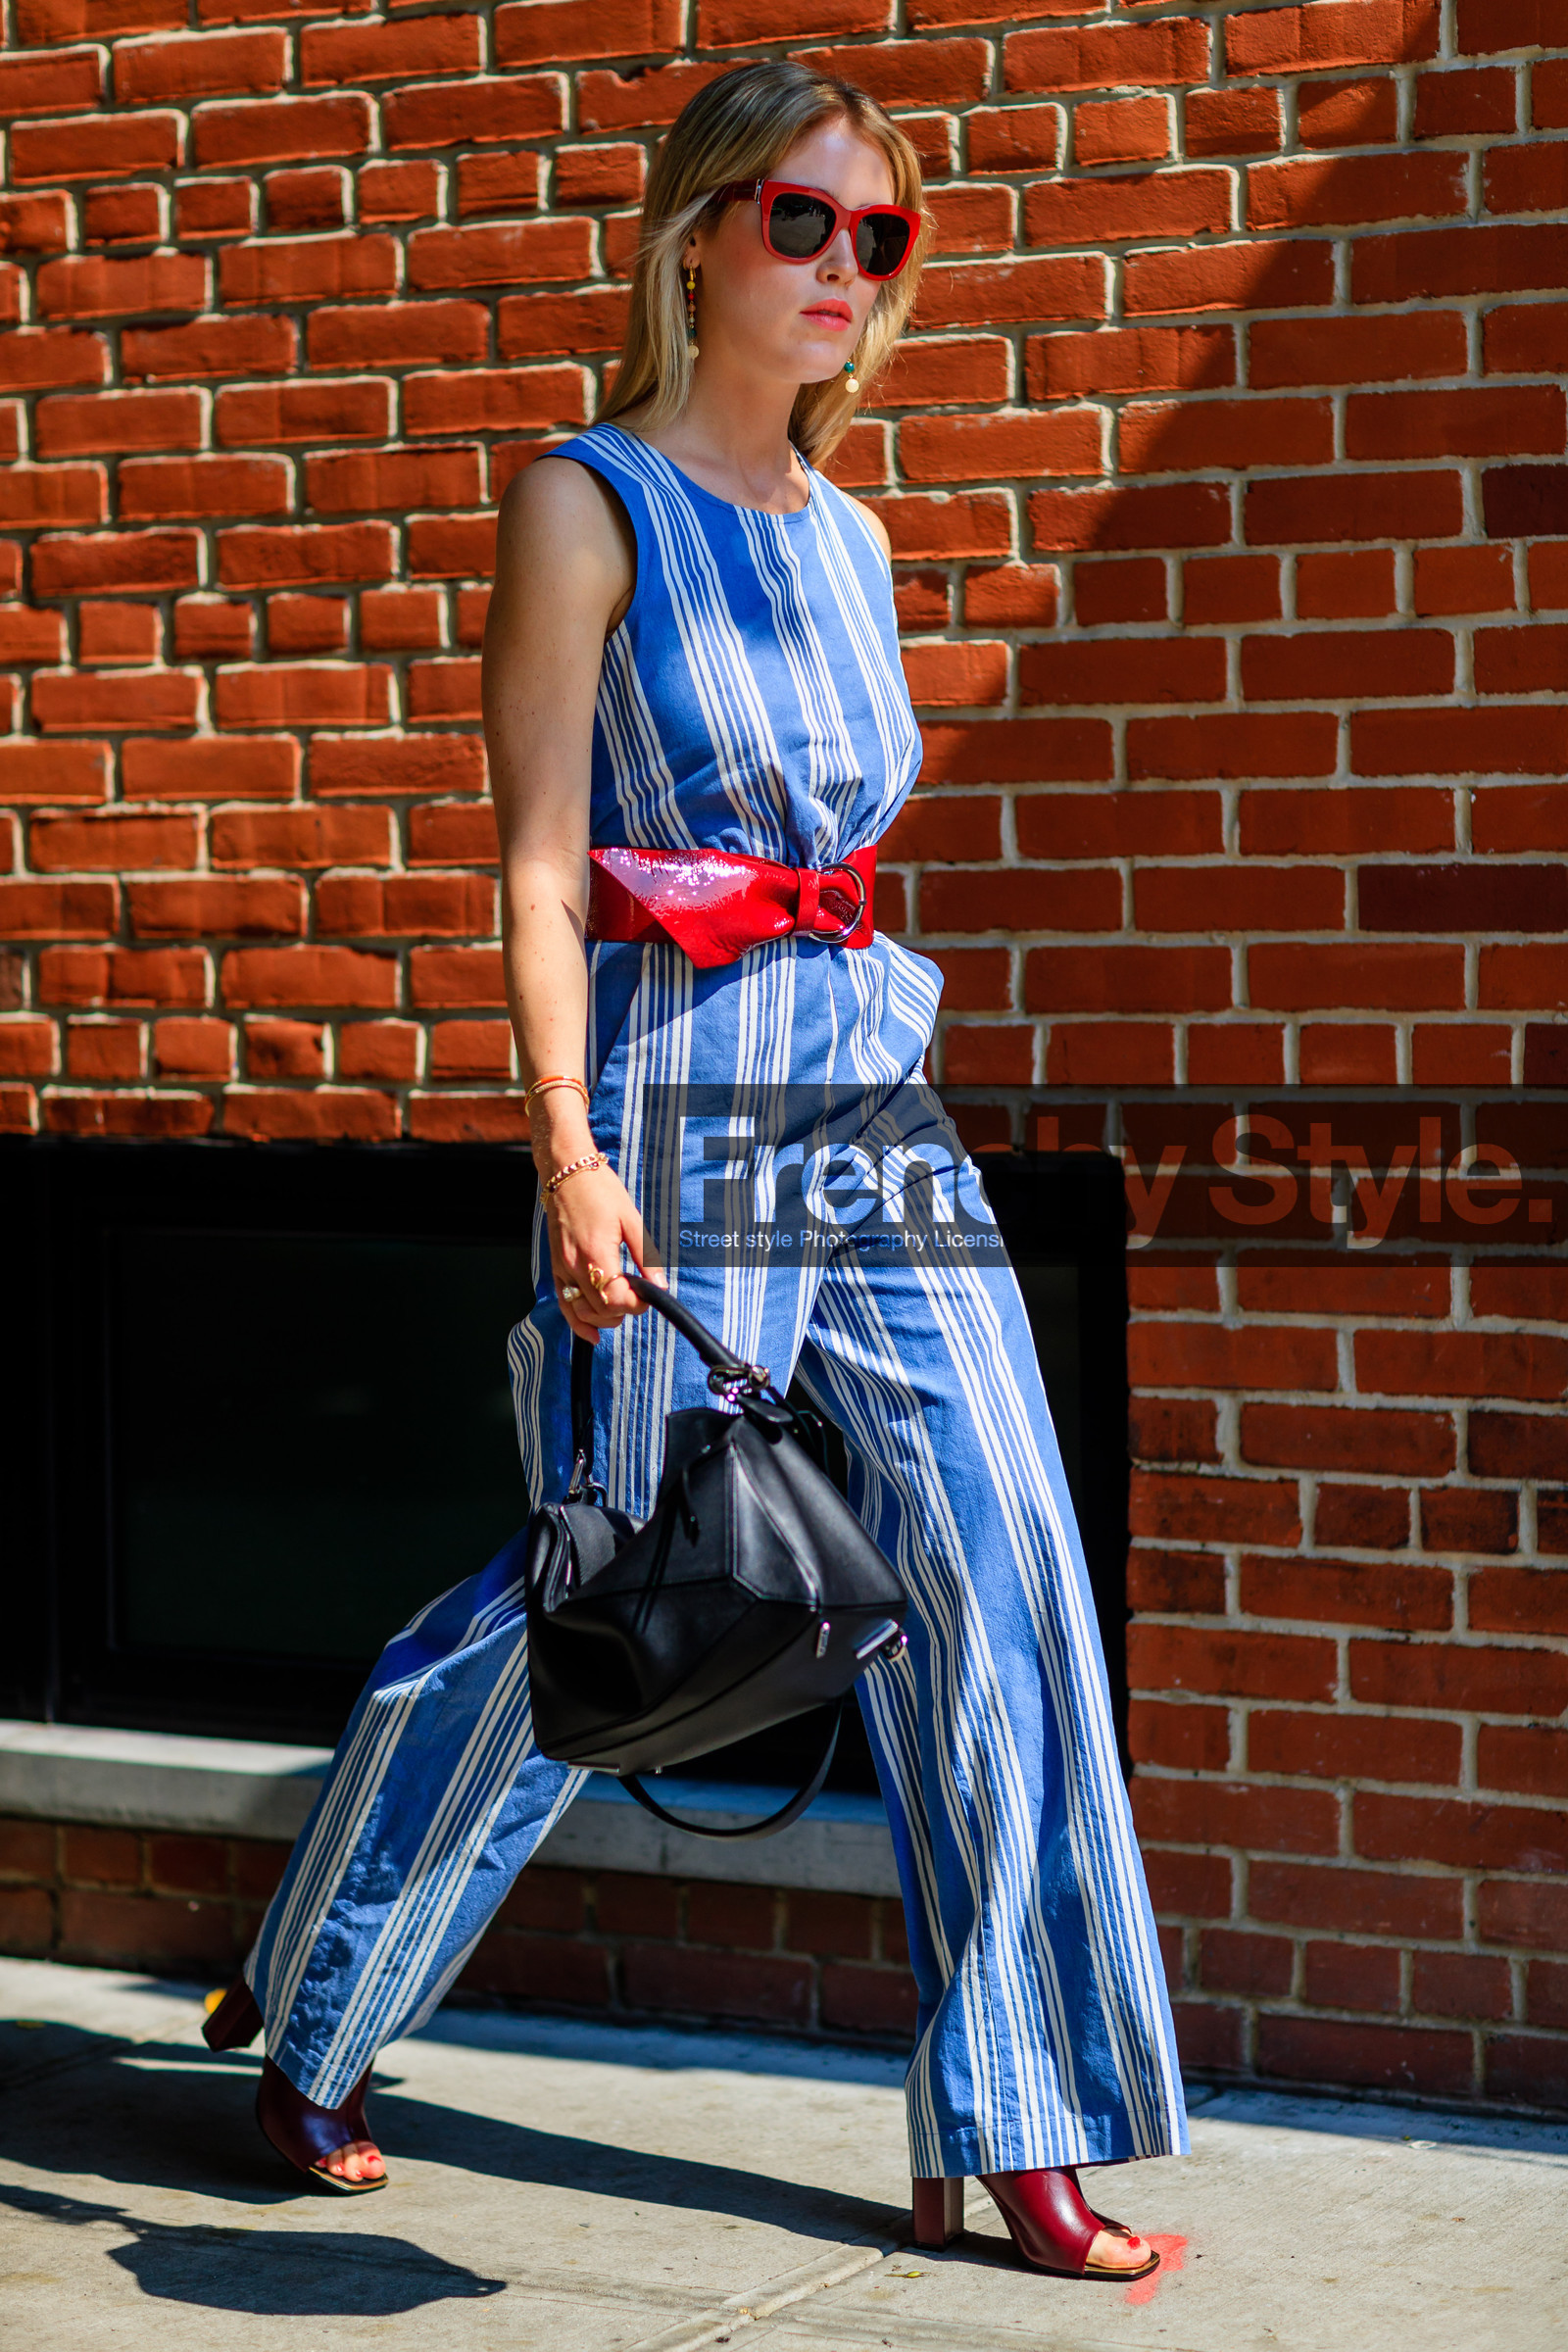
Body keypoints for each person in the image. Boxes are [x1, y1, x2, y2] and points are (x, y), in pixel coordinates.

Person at [201, 59, 1188, 2280]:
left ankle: (1014, 2122)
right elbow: (542, 869)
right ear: (693, 235)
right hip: (676, 1098)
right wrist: (567, 1152)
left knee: (1001, 1555)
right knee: (628, 1593)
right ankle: (325, 1999)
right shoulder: (586, 505)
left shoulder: (847, 539)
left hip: (872, 1088)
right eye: (800, 222)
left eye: (878, 237)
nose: (840, 268)